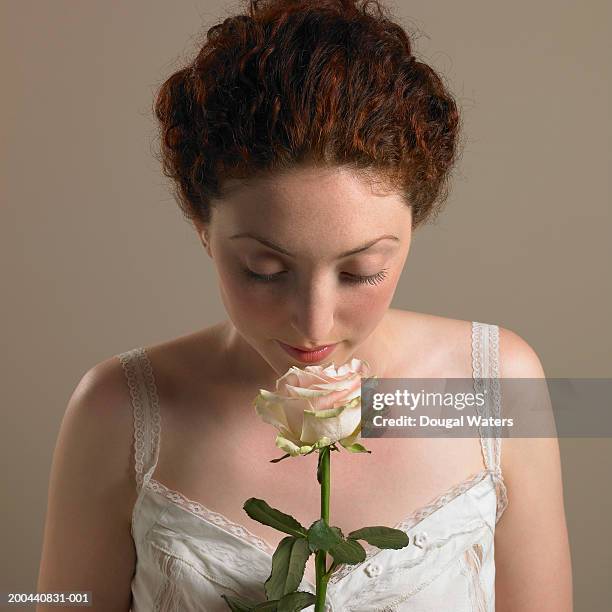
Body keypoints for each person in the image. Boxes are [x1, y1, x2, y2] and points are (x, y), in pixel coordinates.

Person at [37, 0, 573, 610]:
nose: (314, 322)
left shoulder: (497, 385)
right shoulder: (116, 409)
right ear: (202, 227)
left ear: (413, 230)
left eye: (361, 271)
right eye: (264, 270)